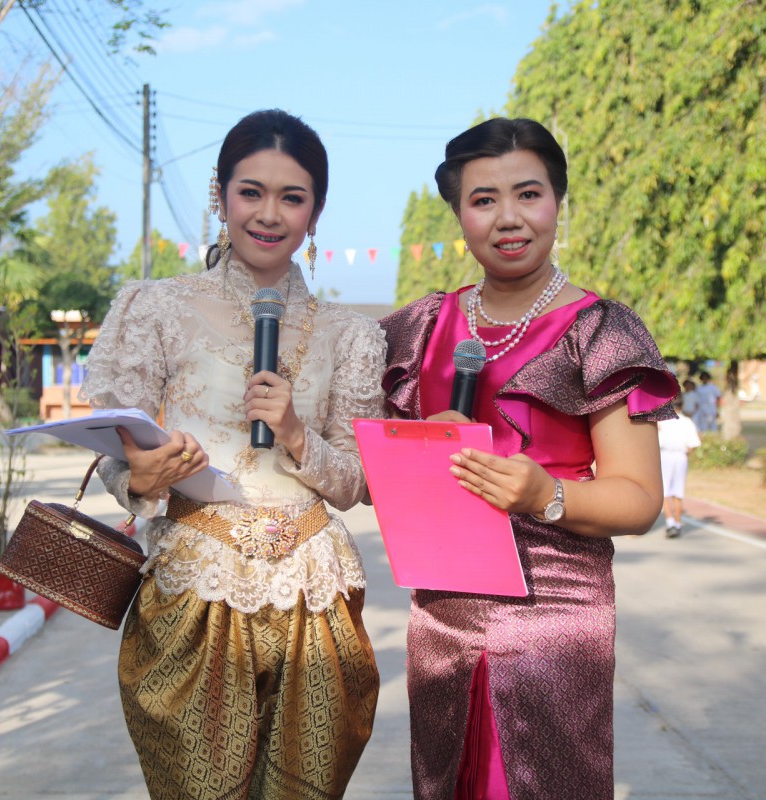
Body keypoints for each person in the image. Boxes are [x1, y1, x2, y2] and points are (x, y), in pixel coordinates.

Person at [79, 109, 386, 800]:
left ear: (316, 212)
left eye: (292, 197)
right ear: (220, 197)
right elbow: (116, 452)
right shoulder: (156, 308)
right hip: (194, 588)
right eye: (251, 192)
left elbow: (356, 483)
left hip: (315, 593)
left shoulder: (352, 334)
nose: (269, 214)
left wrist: (297, 433)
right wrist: (142, 477)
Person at [379, 117, 678, 799]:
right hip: (443, 614)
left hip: (556, 616)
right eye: (483, 199)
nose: (508, 218)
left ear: (557, 202)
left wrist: (546, 495)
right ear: (459, 213)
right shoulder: (420, 327)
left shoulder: (600, 329)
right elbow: (372, 470)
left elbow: (640, 500)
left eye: (528, 194)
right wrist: (418, 451)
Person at [658, 394, 701, 538]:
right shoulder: (687, 422)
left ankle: (670, 522)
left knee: (665, 491)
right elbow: (692, 444)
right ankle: (677, 523)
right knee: (678, 491)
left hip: (666, 455)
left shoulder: (662, 421)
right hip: (681, 456)